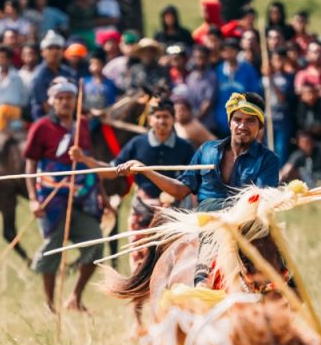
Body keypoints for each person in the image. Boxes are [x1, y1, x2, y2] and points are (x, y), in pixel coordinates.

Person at [116, 92, 280, 286]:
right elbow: (180, 189)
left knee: (281, 282)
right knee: (202, 279)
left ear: (260, 126)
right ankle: (201, 282)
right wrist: (145, 171)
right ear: (230, 122)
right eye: (237, 120)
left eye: (250, 121)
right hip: (209, 224)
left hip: (249, 228)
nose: (242, 126)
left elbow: (258, 200)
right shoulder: (207, 151)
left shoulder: (268, 159)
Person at [70, 97, 195, 268]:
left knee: (173, 267)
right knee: (140, 268)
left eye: (166, 117)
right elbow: (111, 171)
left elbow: (193, 182)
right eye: (157, 116)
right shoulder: (137, 143)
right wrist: (85, 159)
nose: (161, 121)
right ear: (150, 120)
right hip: (142, 211)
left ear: (173, 119)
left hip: (174, 213)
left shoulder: (185, 147)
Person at [24, 78, 104, 313]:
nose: (65, 102)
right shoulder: (40, 127)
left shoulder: (83, 125)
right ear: (52, 102)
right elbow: (31, 165)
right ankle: (50, 305)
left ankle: (75, 297)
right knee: (53, 248)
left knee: (96, 242)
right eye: (60, 98)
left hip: (82, 194)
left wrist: (103, 195)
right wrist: (32, 198)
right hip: (51, 196)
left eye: (69, 98)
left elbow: (89, 163)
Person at [214, 38, 261, 136]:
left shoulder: (248, 69)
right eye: (226, 50)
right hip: (222, 119)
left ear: (237, 52)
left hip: (243, 120)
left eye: (232, 50)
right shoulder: (218, 70)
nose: (229, 53)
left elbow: (255, 94)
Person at [30, 31, 73, 121]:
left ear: (63, 51)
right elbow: (45, 105)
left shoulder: (68, 72)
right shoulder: (39, 75)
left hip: (66, 118)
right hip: (45, 119)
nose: (54, 51)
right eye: (50, 48)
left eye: (57, 48)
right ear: (43, 52)